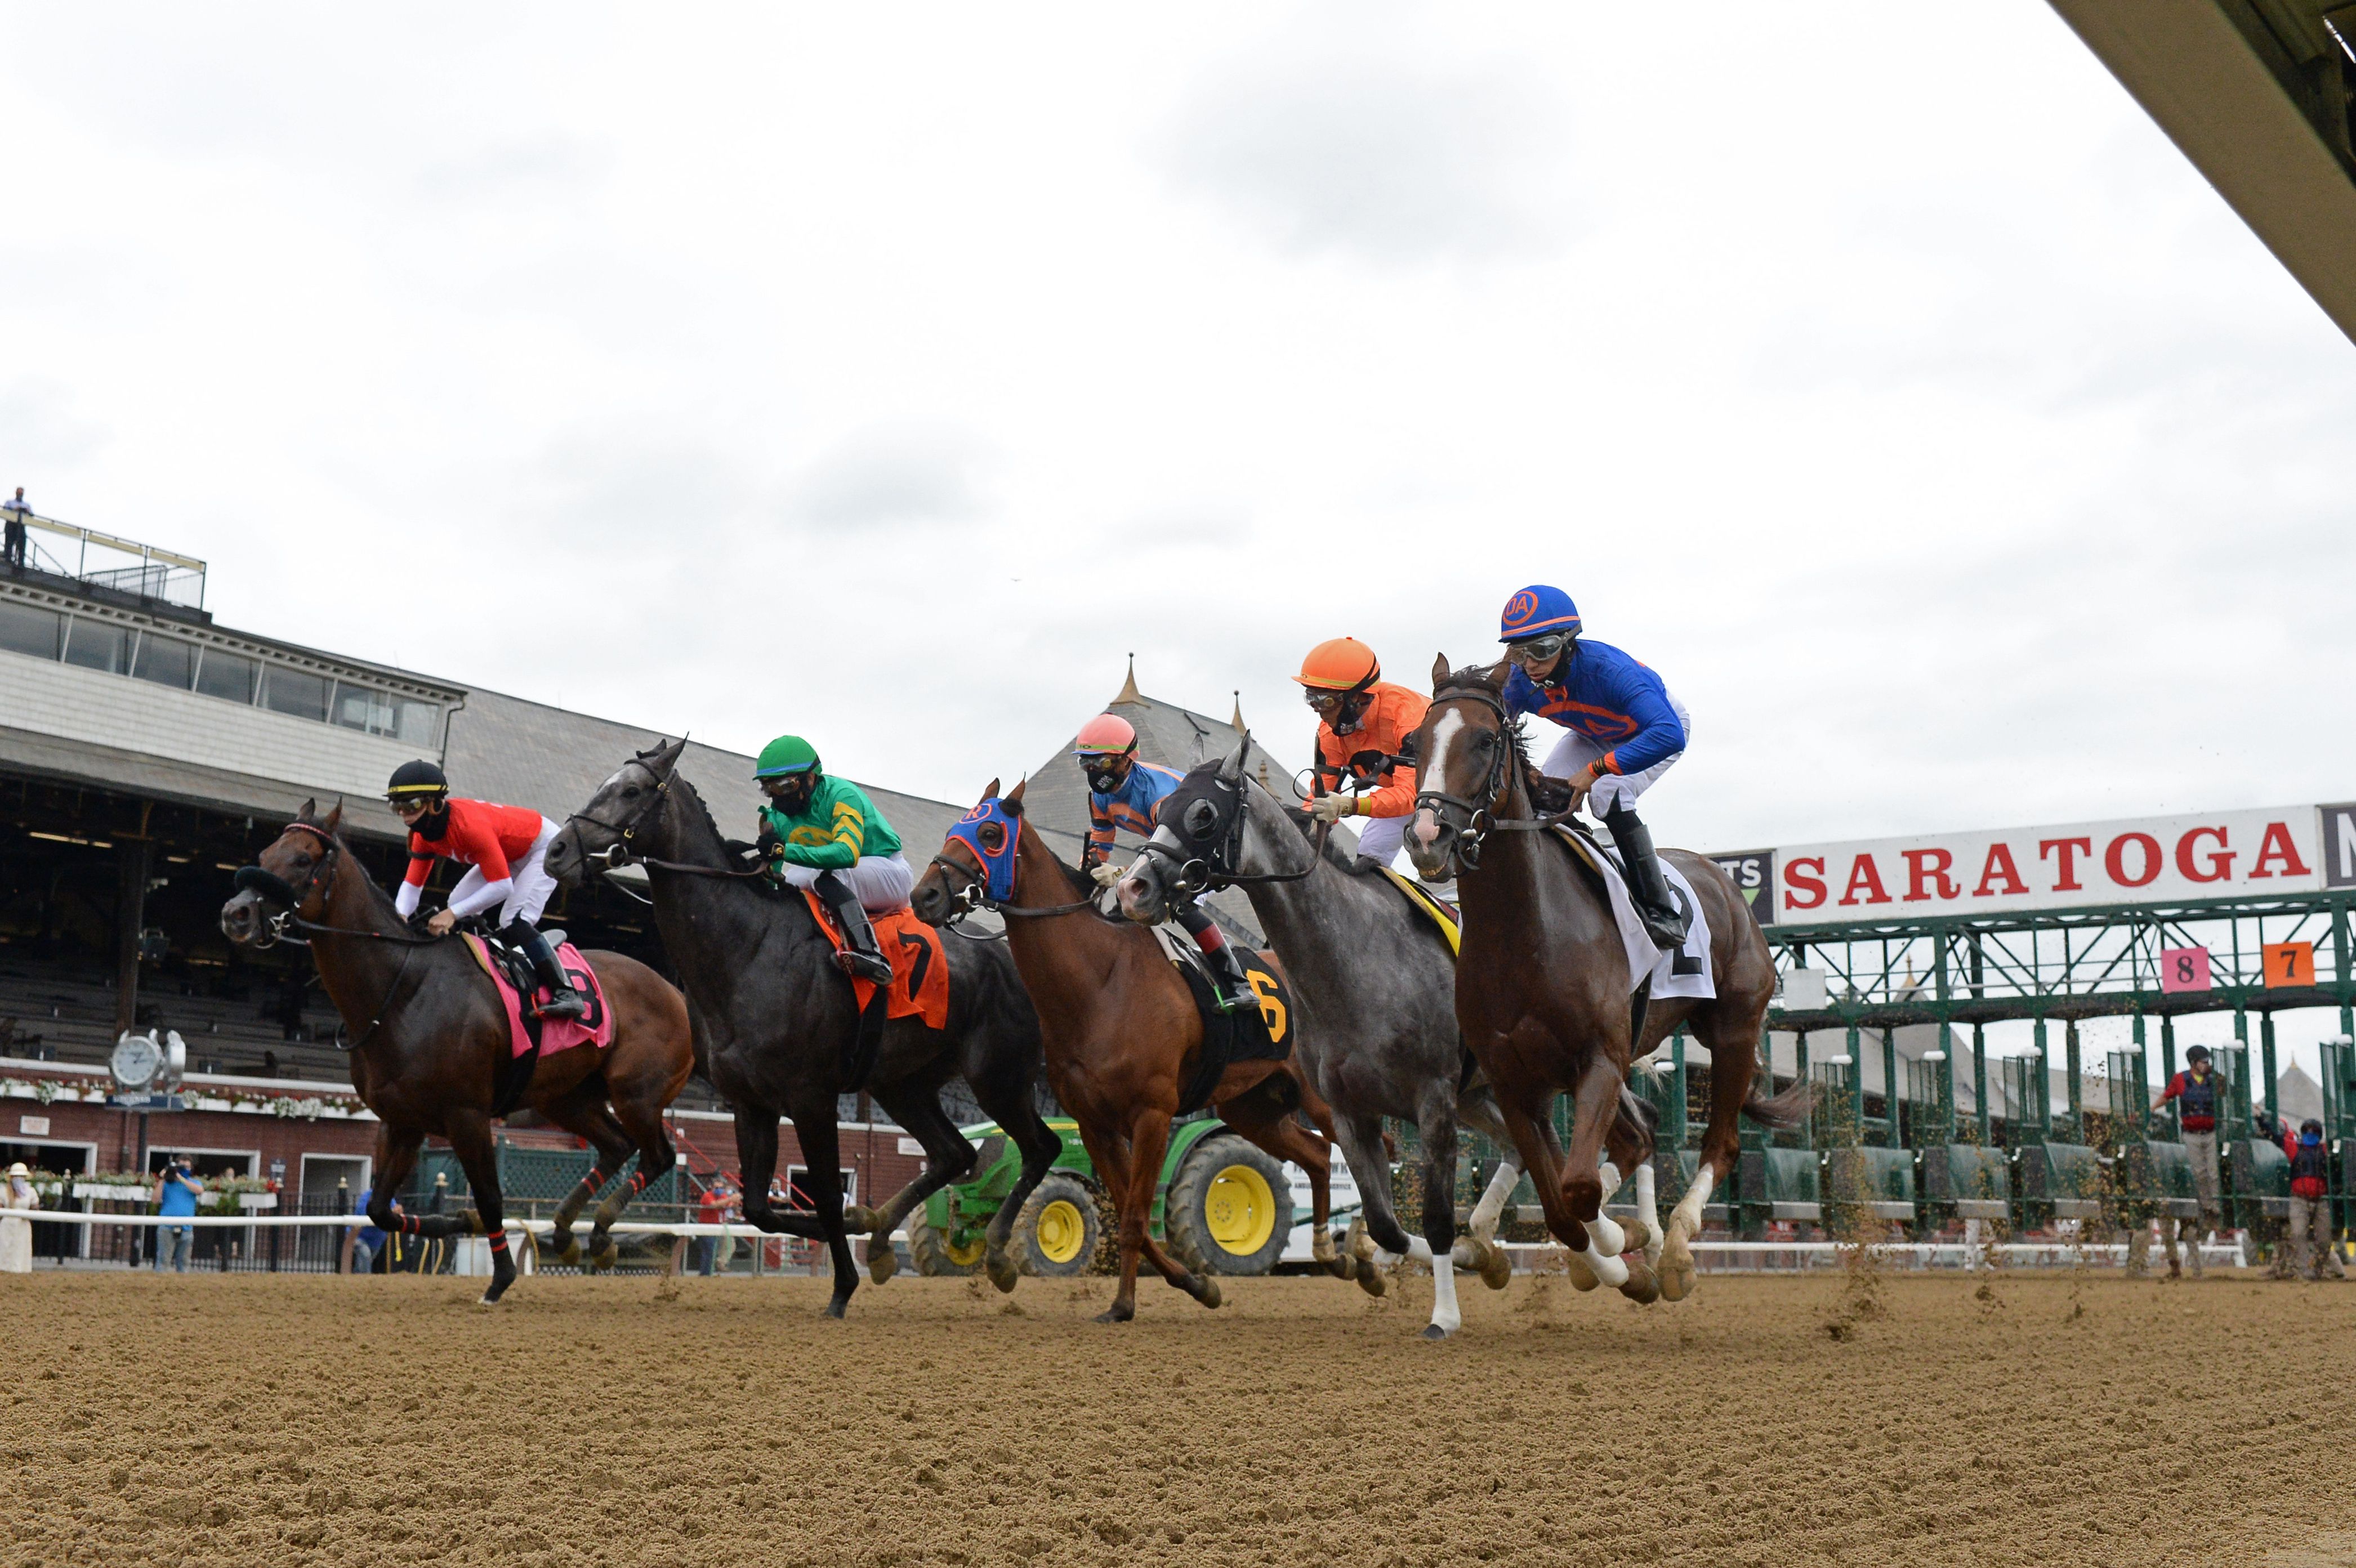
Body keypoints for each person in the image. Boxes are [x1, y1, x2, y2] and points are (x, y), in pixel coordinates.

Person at [1496, 584, 1690, 949]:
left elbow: (1669, 733)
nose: (1531, 664)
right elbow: (1498, 731)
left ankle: (1661, 909)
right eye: (1521, 652)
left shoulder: (1610, 671)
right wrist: (1526, 769)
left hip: (1653, 731)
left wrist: (1596, 769)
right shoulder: (1520, 681)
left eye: (1542, 649)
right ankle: (1580, 883)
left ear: (1568, 643)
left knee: (1606, 795)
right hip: (1591, 733)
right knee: (1543, 798)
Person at [1072, 713, 1255, 1013]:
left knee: (1176, 902)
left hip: (1202, 848)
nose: (1093, 771)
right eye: (1086, 763)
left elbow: (1175, 853)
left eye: (1102, 763)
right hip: (1166, 850)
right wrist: (1088, 873)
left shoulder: (1157, 794)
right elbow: (1099, 845)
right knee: (1123, 906)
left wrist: (1119, 874)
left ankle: (1237, 983)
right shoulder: (1099, 797)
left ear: (1127, 761)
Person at [385, 760, 587, 1020]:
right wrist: (398, 918)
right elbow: (412, 886)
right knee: (458, 900)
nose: (405, 816)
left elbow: (502, 886)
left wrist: (452, 914)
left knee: (513, 919)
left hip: (541, 848)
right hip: (510, 852)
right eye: (397, 807)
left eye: (412, 806)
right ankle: (484, 966)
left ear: (435, 803)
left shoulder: (468, 827)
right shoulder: (422, 835)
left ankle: (566, 992)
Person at [752, 735, 909, 985]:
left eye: (784, 786)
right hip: (835, 875)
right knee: (791, 881)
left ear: (810, 778)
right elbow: (775, 878)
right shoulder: (776, 817)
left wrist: (784, 851)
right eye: (768, 788)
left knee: (829, 874)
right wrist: (762, 870)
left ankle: (870, 953)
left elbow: (847, 855)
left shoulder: (842, 795)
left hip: (889, 873)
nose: (777, 797)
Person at [1292, 638, 1430, 878]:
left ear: (1359, 698)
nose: (1317, 709)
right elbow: (1321, 793)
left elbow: (1412, 794)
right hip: (1398, 795)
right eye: (1311, 697)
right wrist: (1307, 825)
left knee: (1430, 852)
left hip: (1445, 792)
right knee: (1369, 855)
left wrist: (1352, 805)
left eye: (1325, 700)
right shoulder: (1329, 732)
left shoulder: (1407, 717)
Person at [2156, 1044, 2227, 1279]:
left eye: (2208, 1061)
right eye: (2203, 1061)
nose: (2207, 1064)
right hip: (2191, 1134)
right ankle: (2205, 1203)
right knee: (2199, 1172)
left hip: (2211, 1132)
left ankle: (2213, 1206)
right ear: (2193, 1062)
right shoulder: (2180, 1079)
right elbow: (2167, 1097)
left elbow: (2229, 1094)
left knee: (2213, 1172)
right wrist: (2150, 1109)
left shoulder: (2215, 1079)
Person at [2258, 1111, 2346, 1281]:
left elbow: (2340, 1143)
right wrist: (2261, 1120)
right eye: (2307, 1131)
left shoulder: (2326, 1150)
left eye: (2314, 1131)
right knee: (2298, 1234)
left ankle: (2318, 1271)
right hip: (2299, 1200)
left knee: (2324, 1240)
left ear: (2319, 1134)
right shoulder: (2294, 1148)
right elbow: (2273, 1137)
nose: (2310, 1134)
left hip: (2321, 1201)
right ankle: (2305, 1271)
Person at [153, 1154, 202, 1273]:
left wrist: (181, 1178)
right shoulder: (166, 1184)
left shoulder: (194, 1183)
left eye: (187, 1167)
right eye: (181, 1167)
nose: (184, 1169)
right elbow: (155, 1200)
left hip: (186, 1229)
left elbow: (199, 1191)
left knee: (184, 1263)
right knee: (163, 1262)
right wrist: (163, 1179)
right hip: (167, 1228)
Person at [0, 1162, 35, 1274]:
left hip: (23, 1225)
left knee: (21, 1247)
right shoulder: (4, 1191)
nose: (19, 1179)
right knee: (5, 1247)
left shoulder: (31, 1192)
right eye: (16, 1176)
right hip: (7, 1225)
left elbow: (35, 1208)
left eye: (21, 1177)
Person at [2, 488, 28, 572]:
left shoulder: (26, 505)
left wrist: (27, 511)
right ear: (16, 493)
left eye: (21, 494)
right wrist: (14, 510)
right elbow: (5, 512)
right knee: (9, 542)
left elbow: (32, 515)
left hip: (21, 526)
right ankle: (8, 559)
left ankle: (21, 563)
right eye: (19, 493)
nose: (20, 495)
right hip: (11, 525)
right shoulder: (9, 502)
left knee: (22, 543)